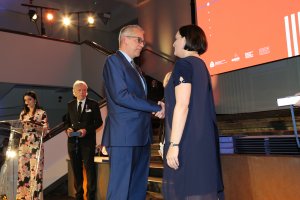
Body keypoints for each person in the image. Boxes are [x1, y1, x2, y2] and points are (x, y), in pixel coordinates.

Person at [102, 24, 165, 200]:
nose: (142, 44)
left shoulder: (136, 68)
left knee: (138, 189)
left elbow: (139, 99)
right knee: (120, 190)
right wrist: (156, 107)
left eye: (143, 41)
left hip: (141, 135)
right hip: (124, 137)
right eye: (139, 40)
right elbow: (121, 96)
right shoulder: (113, 61)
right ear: (125, 39)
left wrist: (156, 104)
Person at [162, 25, 224, 200]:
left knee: (189, 190)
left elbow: (183, 105)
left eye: (176, 38)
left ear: (186, 40)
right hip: (202, 138)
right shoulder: (201, 65)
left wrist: (174, 145)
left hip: (186, 139)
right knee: (201, 188)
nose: (173, 43)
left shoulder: (183, 64)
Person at [65, 80, 102, 200]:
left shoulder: (93, 104)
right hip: (73, 143)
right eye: (79, 90)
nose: (82, 92)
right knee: (76, 170)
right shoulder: (70, 104)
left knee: (90, 169)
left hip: (88, 143)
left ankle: (91, 196)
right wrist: (68, 129)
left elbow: (99, 122)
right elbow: (66, 122)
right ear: (74, 92)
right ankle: (79, 195)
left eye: (84, 90)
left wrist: (86, 130)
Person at [17, 91, 49, 200]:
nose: (27, 102)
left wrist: (39, 127)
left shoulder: (41, 113)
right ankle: (23, 197)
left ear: (35, 100)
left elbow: (46, 130)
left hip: (36, 144)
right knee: (23, 171)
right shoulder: (23, 114)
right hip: (24, 145)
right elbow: (19, 128)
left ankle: (35, 197)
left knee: (36, 172)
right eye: (25, 100)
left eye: (29, 99)